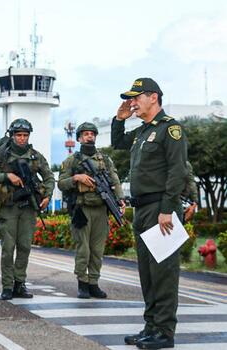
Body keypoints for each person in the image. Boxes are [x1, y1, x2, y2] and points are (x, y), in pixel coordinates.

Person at [112, 78, 188, 349]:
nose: (132, 102)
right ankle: (151, 326)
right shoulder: (144, 131)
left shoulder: (171, 129)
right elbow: (118, 142)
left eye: (137, 97)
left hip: (161, 209)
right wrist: (119, 119)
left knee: (164, 273)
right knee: (147, 272)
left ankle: (164, 332)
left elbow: (177, 171)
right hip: (143, 209)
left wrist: (168, 209)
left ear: (153, 97)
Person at [0, 118, 54, 300]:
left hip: (28, 209)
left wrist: (47, 195)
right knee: (8, 248)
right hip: (9, 207)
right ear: (12, 135)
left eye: (25, 135)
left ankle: (19, 284)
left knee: (24, 247)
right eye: (18, 135)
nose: (22, 138)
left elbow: (49, 177)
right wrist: (8, 176)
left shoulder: (35, 156)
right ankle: (7, 286)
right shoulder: (1, 154)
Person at [58, 122, 125, 299]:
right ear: (79, 138)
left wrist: (120, 200)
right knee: (83, 250)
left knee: (97, 250)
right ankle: (83, 283)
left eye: (92, 134)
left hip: (101, 210)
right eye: (85, 134)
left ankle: (94, 283)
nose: (89, 136)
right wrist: (76, 177)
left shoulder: (105, 159)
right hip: (82, 209)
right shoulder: (71, 161)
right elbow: (61, 184)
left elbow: (115, 180)